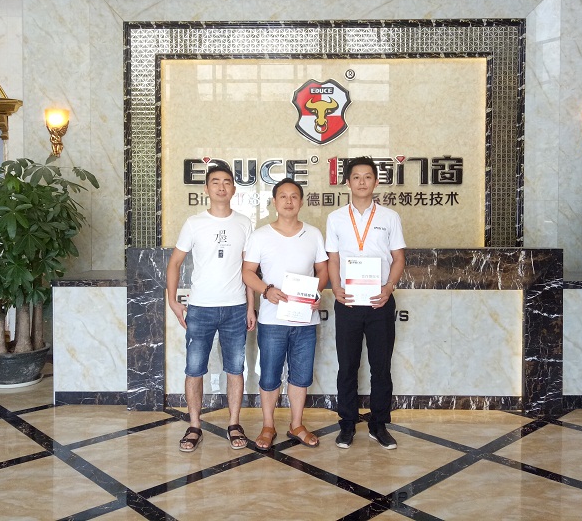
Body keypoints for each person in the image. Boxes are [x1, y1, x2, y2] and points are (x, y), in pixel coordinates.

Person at [166, 162, 256, 452]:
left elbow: (249, 269)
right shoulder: (194, 223)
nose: (221, 187)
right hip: (201, 308)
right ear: (206, 189)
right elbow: (175, 263)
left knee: (235, 369)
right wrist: (172, 300)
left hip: (235, 308)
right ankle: (194, 425)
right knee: (194, 369)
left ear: (234, 188)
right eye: (215, 182)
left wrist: (250, 307)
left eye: (227, 182)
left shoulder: (244, 223)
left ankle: (234, 423)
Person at [325, 156, 406, 450]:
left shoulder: (389, 217)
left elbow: (398, 258)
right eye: (356, 177)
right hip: (347, 301)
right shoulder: (335, 218)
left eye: (367, 176)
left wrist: (389, 287)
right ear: (347, 182)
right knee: (347, 366)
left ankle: (378, 425)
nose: (362, 182)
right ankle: (347, 425)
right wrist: (336, 288)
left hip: (379, 302)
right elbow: (333, 259)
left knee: (380, 367)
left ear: (376, 181)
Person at [242, 178, 329, 451]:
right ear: (274, 202)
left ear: (301, 202)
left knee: (301, 376)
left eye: (294, 196)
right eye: (283, 196)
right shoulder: (260, 235)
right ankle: (268, 426)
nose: (289, 201)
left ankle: (297, 424)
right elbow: (247, 272)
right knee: (269, 376)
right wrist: (266, 290)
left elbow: (323, 270)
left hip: (305, 320)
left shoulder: (313, 234)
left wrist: (317, 292)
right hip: (272, 320)